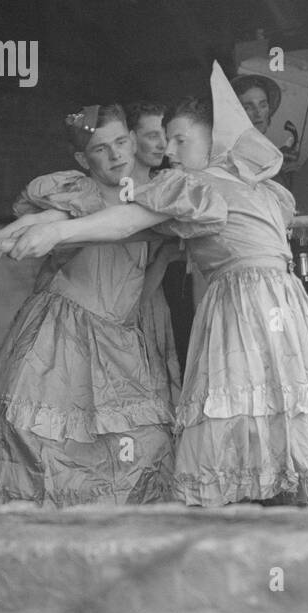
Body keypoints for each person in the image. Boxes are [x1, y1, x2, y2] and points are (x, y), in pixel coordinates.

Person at [9, 65, 308, 507]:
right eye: (165, 140)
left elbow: (129, 220)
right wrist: (42, 228)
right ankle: (279, 507)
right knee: (274, 402)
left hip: (245, 302)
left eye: (180, 139)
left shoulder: (201, 185)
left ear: (214, 140)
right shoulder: (251, 186)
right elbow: (129, 224)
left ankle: (252, 510)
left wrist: (56, 234)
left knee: (239, 405)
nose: (168, 149)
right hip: (284, 302)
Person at [0, 104, 176, 506]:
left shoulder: (156, 193)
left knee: (142, 442)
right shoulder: (83, 193)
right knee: (43, 440)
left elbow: (152, 266)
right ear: (83, 159)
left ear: (132, 140)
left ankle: (109, 545)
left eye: (120, 142)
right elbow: (46, 220)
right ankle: (46, 542)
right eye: (100, 149)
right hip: (63, 329)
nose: (115, 155)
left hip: (119, 334)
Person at [125, 100, 184, 407]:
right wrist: (163, 259)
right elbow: (129, 296)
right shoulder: (124, 192)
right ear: (131, 139)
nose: (163, 144)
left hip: (157, 305)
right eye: (152, 136)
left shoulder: (163, 186)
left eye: (167, 135)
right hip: (129, 311)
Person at [232, 73, 300, 186]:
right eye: (248, 107)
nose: (258, 113)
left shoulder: (272, 154)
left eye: (263, 105)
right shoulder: (227, 152)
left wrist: (290, 172)